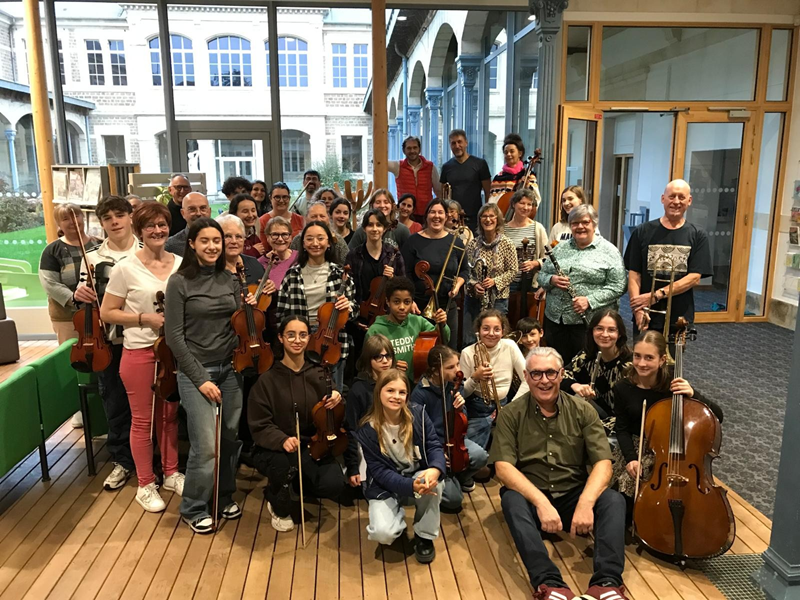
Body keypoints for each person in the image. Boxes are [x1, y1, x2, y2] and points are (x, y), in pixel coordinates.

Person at [492, 347, 628, 600]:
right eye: (536, 374)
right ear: (526, 376)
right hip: (533, 496)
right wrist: (541, 503)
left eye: (550, 373)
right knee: (511, 499)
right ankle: (549, 584)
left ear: (561, 373)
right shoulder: (511, 413)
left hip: (572, 495)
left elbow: (603, 464)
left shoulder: (584, 411)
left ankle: (607, 583)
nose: (544, 380)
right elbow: (503, 467)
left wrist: (586, 503)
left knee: (614, 500)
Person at [165, 217, 253, 534]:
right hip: (195, 372)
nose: (213, 246)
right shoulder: (179, 283)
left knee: (230, 439)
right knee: (206, 446)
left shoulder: (229, 279)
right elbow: (174, 337)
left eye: (217, 240)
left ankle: (223, 495)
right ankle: (193, 506)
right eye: (205, 241)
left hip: (230, 368)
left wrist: (248, 310)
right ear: (192, 244)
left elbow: (234, 324)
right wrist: (200, 378)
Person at [101, 201, 183, 512]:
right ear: (140, 230)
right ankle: (146, 483)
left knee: (169, 415)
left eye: (162, 224)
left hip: (173, 352)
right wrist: (143, 319)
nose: (158, 230)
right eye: (150, 226)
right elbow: (108, 312)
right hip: (139, 351)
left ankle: (172, 472)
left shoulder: (179, 263)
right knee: (142, 420)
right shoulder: (125, 267)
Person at [249, 315, 346, 532]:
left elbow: (335, 415)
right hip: (276, 449)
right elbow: (259, 424)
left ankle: (295, 484)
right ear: (281, 338)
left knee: (333, 483)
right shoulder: (266, 379)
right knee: (284, 467)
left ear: (309, 338)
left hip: (310, 445)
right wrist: (281, 440)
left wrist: (338, 399)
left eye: (302, 335)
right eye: (290, 335)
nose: (297, 340)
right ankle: (277, 500)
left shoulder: (320, 373)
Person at [611, 331, 723, 503]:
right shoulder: (622, 388)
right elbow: (622, 429)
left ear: (662, 360)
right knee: (623, 492)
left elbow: (718, 416)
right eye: (637, 356)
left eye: (649, 358)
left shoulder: (673, 386)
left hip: (668, 450)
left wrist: (694, 394)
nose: (641, 363)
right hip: (634, 447)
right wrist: (631, 459)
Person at [73, 196, 139, 483]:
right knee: (115, 403)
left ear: (130, 217)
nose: (115, 221)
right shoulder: (93, 258)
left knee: (152, 404)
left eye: (119, 215)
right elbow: (84, 299)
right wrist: (80, 296)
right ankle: (122, 461)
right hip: (108, 342)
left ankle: (156, 462)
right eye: (108, 217)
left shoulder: (147, 251)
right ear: (101, 223)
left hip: (144, 340)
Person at [354, 369, 446, 564]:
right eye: (390, 391)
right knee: (383, 534)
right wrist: (410, 487)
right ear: (379, 392)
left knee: (434, 483)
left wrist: (435, 469)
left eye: (402, 392)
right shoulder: (367, 429)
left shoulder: (418, 414)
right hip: (385, 487)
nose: (396, 397)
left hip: (415, 475)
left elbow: (434, 446)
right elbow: (379, 472)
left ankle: (425, 536)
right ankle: (396, 516)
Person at [537, 204, 627, 367]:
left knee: (586, 365)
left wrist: (589, 300)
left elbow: (619, 286)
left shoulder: (610, 252)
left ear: (594, 224)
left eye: (585, 222)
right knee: (557, 365)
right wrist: (552, 280)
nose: (580, 227)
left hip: (588, 321)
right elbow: (542, 275)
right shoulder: (560, 249)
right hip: (556, 320)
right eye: (575, 223)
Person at [624, 179, 713, 336]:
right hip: (646, 313)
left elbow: (694, 277)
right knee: (642, 359)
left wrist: (657, 295)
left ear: (689, 201)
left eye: (681, 197)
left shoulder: (698, 235)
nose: (676, 202)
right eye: (672, 197)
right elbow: (634, 274)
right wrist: (637, 309)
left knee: (672, 360)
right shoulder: (642, 231)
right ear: (662, 199)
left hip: (679, 316)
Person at [277, 221, 357, 392]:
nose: (315, 243)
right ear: (303, 244)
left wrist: (348, 306)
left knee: (333, 396)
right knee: (302, 393)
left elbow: (355, 311)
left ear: (328, 243)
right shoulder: (292, 275)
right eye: (310, 239)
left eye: (320, 238)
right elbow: (281, 313)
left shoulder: (340, 274)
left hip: (332, 340)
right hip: (300, 341)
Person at [411, 345, 489, 511]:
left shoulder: (454, 384)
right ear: (435, 370)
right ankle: (444, 479)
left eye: (458, 365)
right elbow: (419, 435)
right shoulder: (420, 394)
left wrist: (461, 407)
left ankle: (458, 476)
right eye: (451, 367)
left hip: (454, 440)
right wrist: (437, 455)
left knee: (481, 456)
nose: (458, 371)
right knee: (454, 500)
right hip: (433, 448)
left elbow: (463, 419)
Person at [402, 199, 467, 351]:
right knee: (421, 352)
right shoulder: (413, 241)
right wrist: (409, 300)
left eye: (440, 212)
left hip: (447, 305)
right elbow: (405, 272)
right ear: (426, 215)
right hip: (419, 306)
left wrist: (458, 285)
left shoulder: (455, 241)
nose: (436, 216)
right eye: (432, 212)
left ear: (446, 217)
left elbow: (464, 270)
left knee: (448, 350)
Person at [459, 309, 529, 451]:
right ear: (478, 331)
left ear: (503, 332)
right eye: (486, 328)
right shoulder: (467, 352)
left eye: (497, 329)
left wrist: (510, 408)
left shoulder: (510, 346)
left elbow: (528, 379)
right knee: (471, 454)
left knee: (518, 446)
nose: (491, 333)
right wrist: (475, 377)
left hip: (506, 404)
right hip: (478, 408)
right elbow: (462, 393)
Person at [366, 277, 448, 383]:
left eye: (407, 302)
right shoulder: (375, 330)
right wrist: (391, 369)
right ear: (387, 301)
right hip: (388, 384)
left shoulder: (418, 322)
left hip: (416, 383)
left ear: (412, 302)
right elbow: (368, 366)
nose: (402, 307)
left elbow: (442, 339)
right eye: (396, 302)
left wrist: (442, 324)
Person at [39, 203, 100, 345]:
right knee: (72, 357)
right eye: (65, 219)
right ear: (59, 224)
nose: (73, 221)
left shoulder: (99, 245)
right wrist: (74, 298)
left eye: (76, 216)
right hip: (67, 317)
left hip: (99, 314)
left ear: (83, 217)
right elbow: (50, 284)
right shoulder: (52, 251)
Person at [344, 334, 398, 488]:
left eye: (388, 356)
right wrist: (353, 467)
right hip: (367, 448)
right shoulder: (358, 390)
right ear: (369, 359)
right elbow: (351, 429)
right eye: (378, 357)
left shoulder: (398, 384)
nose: (385, 361)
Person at [562, 309, 632, 428]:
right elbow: (561, 375)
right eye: (599, 328)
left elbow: (629, 410)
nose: (604, 334)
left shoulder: (629, 365)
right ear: (592, 331)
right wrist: (575, 386)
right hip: (593, 417)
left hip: (618, 425)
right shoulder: (586, 355)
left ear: (619, 334)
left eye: (611, 330)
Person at [464, 203, 518, 345]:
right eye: (484, 216)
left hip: (498, 299)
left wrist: (495, 281)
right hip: (474, 299)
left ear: (498, 219)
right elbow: (467, 271)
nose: (488, 220)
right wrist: (474, 285)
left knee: (495, 340)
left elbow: (513, 271)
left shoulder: (507, 244)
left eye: (491, 216)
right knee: (470, 339)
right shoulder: (473, 244)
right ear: (480, 220)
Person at [345, 209, 406, 310]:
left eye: (379, 225)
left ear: (384, 228)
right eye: (370, 225)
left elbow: (404, 287)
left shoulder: (394, 254)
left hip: (388, 314)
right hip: (360, 313)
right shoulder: (353, 255)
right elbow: (348, 289)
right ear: (364, 228)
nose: (374, 229)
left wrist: (393, 278)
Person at [439, 129, 491, 229]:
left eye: (459, 142)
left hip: (475, 217)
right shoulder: (446, 167)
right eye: (453, 143)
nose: (457, 146)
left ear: (466, 143)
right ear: (450, 146)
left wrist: (487, 213)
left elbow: (488, 192)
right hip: (453, 219)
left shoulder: (480, 164)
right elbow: (443, 194)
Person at [505, 189, 548, 293]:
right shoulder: (503, 229)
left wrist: (535, 263)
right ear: (513, 204)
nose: (526, 207)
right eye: (522, 203)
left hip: (531, 282)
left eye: (529, 204)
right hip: (508, 283)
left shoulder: (538, 228)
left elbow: (547, 257)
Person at [388, 135, 441, 221]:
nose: (412, 151)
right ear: (404, 151)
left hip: (425, 214)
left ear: (419, 149)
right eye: (409, 148)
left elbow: (438, 191)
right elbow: (380, 162)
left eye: (415, 148)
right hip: (405, 214)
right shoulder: (398, 166)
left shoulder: (430, 167)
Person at [488, 133, 541, 207]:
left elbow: (535, 201)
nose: (508, 154)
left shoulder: (528, 176)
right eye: (506, 152)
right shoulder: (498, 178)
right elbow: (492, 203)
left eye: (512, 151)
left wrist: (526, 188)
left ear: (520, 153)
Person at [218, 214, 265, 286]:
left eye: (238, 236)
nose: (234, 241)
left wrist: (270, 287)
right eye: (227, 236)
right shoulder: (211, 269)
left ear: (244, 239)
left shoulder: (255, 264)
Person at [258, 182, 306, 251]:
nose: (281, 200)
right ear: (270, 198)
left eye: (285, 197)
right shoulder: (262, 221)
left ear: (289, 198)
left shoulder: (301, 220)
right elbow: (263, 249)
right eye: (277, 197)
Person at [165, 192, 212, 256]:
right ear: (183, 213)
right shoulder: (171, 246)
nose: (198, 213)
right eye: (192, 209)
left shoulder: (222, 240)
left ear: (209, 211)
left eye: (203, 208)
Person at [229, 193, 265, 258]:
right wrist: (253, 252)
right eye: (245, 211)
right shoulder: (229, 239)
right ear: (234, 214)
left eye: (253, 210)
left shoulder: (253, 236)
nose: (251, 215)